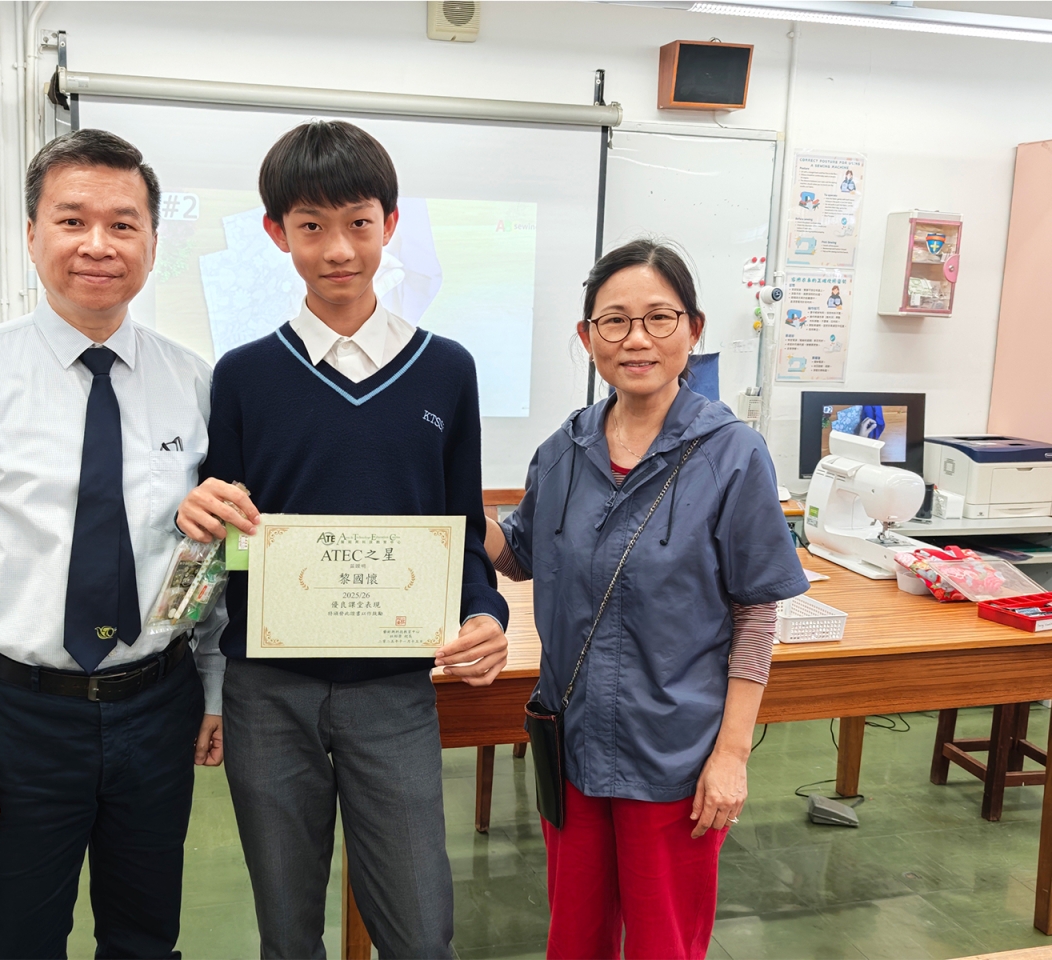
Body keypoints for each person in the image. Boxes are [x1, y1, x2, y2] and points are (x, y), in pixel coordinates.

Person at [177, 119, 509, 960]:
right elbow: (230, 544)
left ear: (390, 224)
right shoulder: (244, 376)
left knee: (420, 931)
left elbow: (463, 532)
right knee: (287, 931)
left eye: (358, 222)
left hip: (393, 688)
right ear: (276, 233)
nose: (337, 249)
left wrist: (485, 613)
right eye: (311, 225)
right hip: (268, 694)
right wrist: (205, 516)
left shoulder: (447, 370)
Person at [0, 129, 225, 960]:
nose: (98, 245)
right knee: (23, 939)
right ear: (33, 233)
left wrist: (214, 688)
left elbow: (214, 551)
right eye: (73, 221)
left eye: (123, 224)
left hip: (157, 704)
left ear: (152, 242)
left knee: (147, 936)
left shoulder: (194, 381)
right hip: (18, 714)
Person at [486, 240, 809, 960]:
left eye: (659, 318)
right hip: (571, 742)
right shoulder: (562, 451)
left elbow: (757, 613)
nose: (637, 339)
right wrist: (457, 507)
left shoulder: (733, 454)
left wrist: (731, 756)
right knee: (574, 939)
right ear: (587, 337)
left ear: (693, 330)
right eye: (614, 320)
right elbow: (520, 558)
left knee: (665, 943)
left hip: (674, 755)